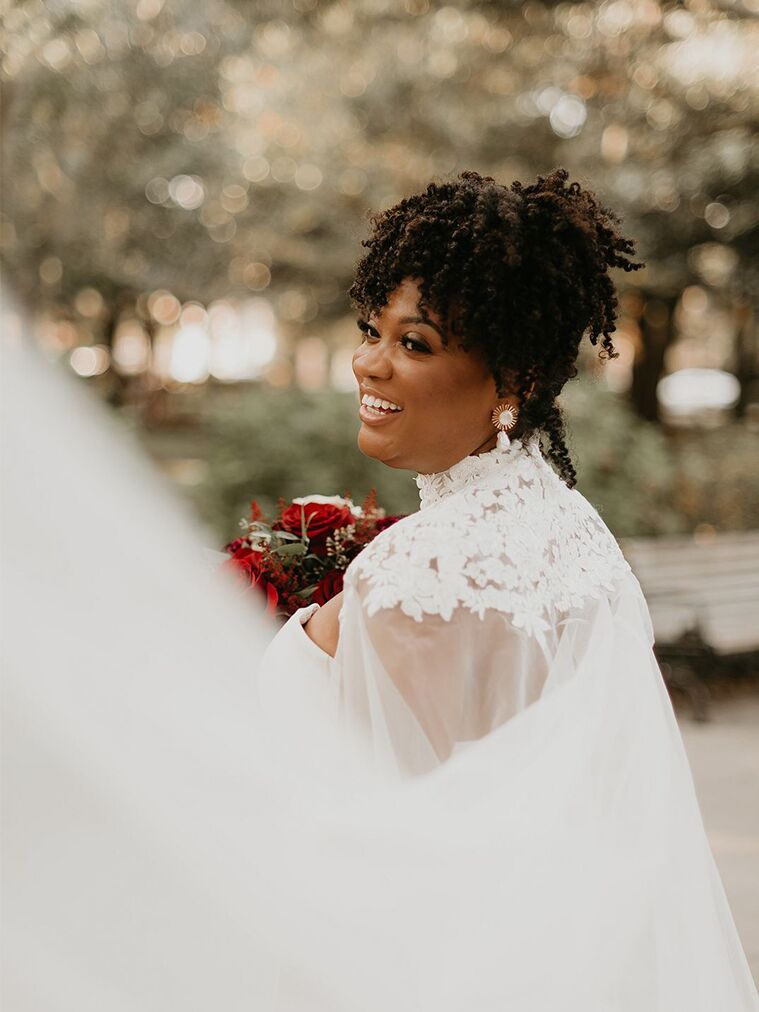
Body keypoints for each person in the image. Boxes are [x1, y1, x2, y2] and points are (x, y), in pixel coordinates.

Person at [257, 168, 759, 1006]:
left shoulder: (415, 576)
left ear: (514, 382)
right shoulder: (569, 528)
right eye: (370, 330)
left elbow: (394, 838)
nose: (369, 365)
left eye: (414, 344)